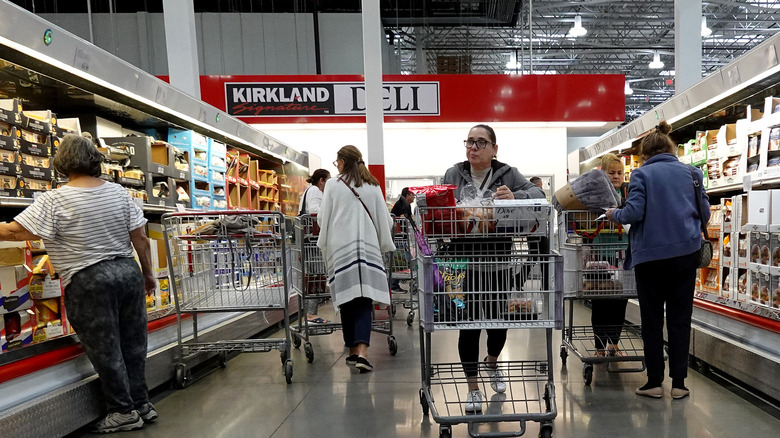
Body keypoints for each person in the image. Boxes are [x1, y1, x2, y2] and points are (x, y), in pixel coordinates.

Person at [0, 134, 158, 433]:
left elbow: (14, 233)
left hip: (89, 279)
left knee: (105, 348)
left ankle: (122, 411)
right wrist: (148, 274)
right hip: (127, 272)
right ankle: (142, 404)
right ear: (95, 160)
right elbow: (140, 238)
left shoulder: (54, 199)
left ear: (61, 163)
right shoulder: (120, 193)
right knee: (134, 344)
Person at [442, 124, 545, 412]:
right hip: (465, 264)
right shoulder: (454, 173)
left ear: (494, 149)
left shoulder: (507, 173)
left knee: (498, 322)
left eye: (481, 142)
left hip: (499, 263)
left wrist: (516, 197)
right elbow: (439, 204)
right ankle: (473, 387)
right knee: (469, 325)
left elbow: (537, 192)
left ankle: (492, 362)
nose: (473, 147)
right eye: (469, 142)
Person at [606, 121, 709, 400]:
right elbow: (705, 214)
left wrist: (612, 214)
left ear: (645, 155)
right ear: (670, 148)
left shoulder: (642, 174)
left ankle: (653, 383)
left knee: (652, 320)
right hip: (685, 255)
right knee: (679, 319)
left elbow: (633, 213)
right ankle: (679, 384)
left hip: (650, 258)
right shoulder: (693, 173)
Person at [317, 145, 395, 373]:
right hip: (368, 250)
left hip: (340, 251)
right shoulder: (373, 185)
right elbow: (385, 221)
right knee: (363, 301)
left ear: (341, 161)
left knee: (346, 300)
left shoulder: (332, 185)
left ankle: (357, 350)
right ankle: (357, 351)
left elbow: (323, 218)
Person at [591, 153, 629, 356]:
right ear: (603, 174)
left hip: (622, 255)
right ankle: (599, 346)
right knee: (600, 300)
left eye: (620, 173)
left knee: (619, 300)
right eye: (611, 172)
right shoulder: (594, 197)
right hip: (599, 256)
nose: (616, 176)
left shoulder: (629, 193)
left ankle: (614, 343)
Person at [298, 168, 331, 323]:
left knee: (313, 275)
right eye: (328, 180)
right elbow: (315, 211)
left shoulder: (309, 191)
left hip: (308, 240)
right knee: (316, 276)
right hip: (312, 241)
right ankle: (310, 314)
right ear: (321, 180)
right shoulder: (316, 191)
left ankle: (310, 313)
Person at [389, 187, 415, 291]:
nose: (414, 197)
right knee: (399, 261)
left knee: (401, 260)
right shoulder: (402, 203)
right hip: (399, 237)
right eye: (413, 195)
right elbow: (403, 217)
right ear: (408, 195)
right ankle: (394, 285)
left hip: (401, 237)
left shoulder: (405, 203)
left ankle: (395, 284)